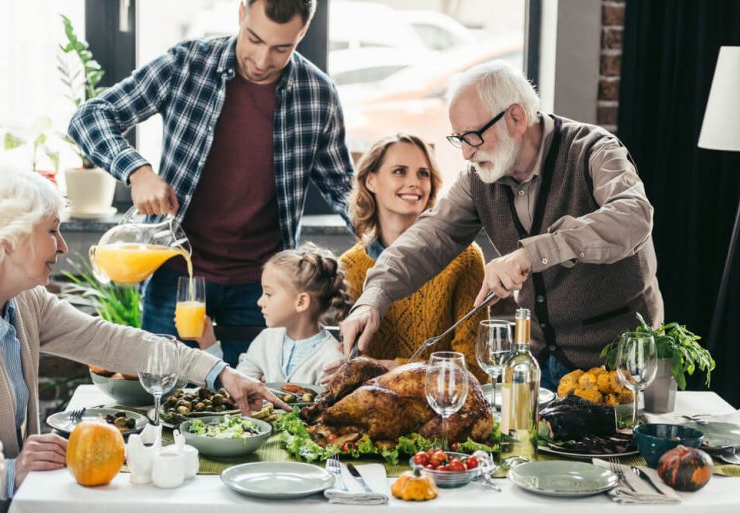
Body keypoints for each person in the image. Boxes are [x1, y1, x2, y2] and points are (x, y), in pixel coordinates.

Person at [340, 60, 664, 391]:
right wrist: (373, 298)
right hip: (540, 365)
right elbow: (430, 235)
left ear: (516, 117)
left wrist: (529, 254)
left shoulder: (594, 150)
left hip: (623, 366)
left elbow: (633, 216)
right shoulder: (478, 179)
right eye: (459, 139)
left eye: (474, 136)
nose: (466, 153)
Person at [68, 0, 355, 367]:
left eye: (282, 48)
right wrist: (137, 171)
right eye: (254, 39)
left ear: (302, 34)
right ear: (241, 14)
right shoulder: (187, 64)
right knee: (165, 393)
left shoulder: (317, 94)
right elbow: (89, 117)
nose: (263, 60)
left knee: (252, 407)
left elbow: (343, 188)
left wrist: (396, 246)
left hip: (264, 288)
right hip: (176, 277)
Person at [0, 166, 288, 505]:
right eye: (52, 231)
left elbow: (109, 341)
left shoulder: (27, 303)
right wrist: (11, 472)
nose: (62, 246)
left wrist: (220, 372)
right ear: (9, 238)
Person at [323, 133, 486, 381]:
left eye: (424, 174)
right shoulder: (347, 265)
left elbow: (474, 371)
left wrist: (389, 368)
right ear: (370, 181)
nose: (414, 183)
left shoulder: (465, 259)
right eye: (400, 171)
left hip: (441, 408)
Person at [192, 244, 349, 385]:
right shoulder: (266, 340)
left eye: (268, 293)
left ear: (301, 302)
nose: (260, 302)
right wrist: (209, 344)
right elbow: (235, 387)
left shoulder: (333, 359)